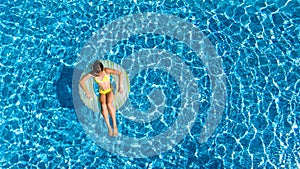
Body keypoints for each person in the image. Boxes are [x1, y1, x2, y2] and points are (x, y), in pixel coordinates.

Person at [80, 60, 123, 136]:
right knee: (103, 105)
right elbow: (81, 82)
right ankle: (109, 127)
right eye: (96, 75)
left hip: (109, 90)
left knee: (109, 104)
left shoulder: (106, 71)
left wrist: (120, 86)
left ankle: (115, 126)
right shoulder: (93, 73)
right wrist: (87, 92)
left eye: (98, 74)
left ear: (102, 69)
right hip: (102, 92)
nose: (97, 76)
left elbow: (120, 73)